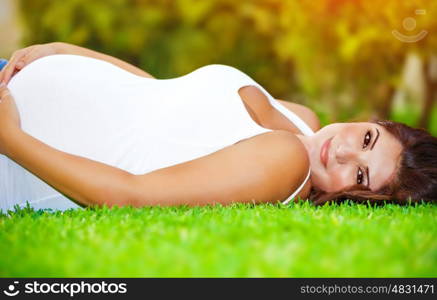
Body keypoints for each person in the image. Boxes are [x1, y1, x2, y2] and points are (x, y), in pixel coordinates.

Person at [0, 42, 435, 211]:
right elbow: (157, 96)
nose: (343, 151)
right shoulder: (300, 118)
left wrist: (10, 139)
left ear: (356, 198)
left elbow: (130, 194)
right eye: (366, 139)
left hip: (14, 152)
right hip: (12, 76)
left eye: (359, 174)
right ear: (370, 122)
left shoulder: (285, 163)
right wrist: (67, 53)